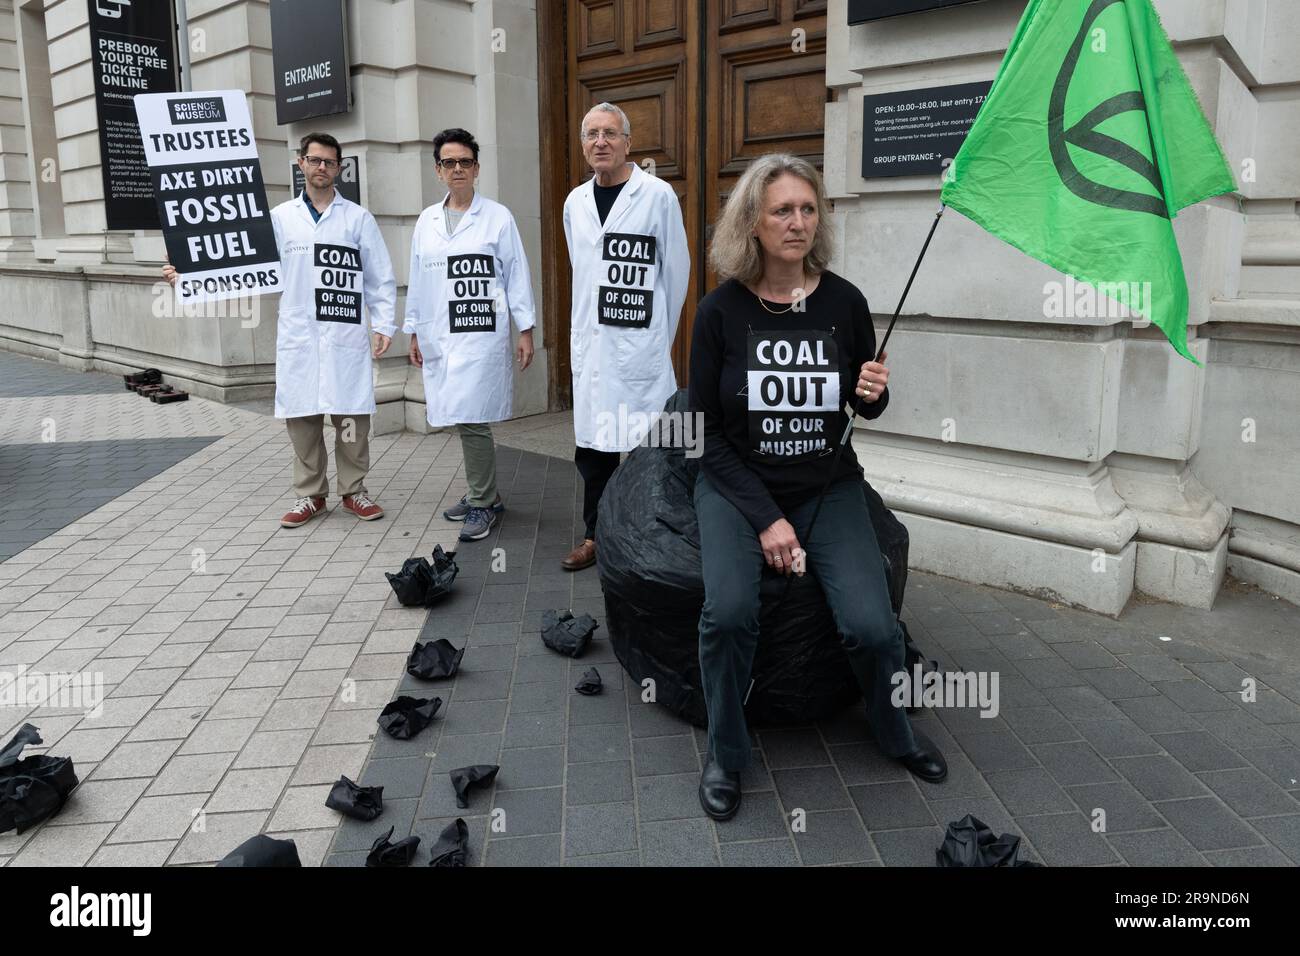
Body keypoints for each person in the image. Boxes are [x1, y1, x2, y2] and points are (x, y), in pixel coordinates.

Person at [687, 153, 947, 821]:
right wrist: (766, 520)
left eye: (807, 209)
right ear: (752, 222)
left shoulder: (843, 302)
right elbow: (704, 434)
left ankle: (895, 733)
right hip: (736, 488)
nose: (797, 222)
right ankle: (726, 751)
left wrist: (875, 393)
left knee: (869, 624)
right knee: (730, 614)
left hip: (826, 486)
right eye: (782, 210)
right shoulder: (719, 313)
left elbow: (864, 408)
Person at [163, 132, 396, 529]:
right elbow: (244, 265)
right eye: (314, 160)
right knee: (302, 419)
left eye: (329, 161)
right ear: (300, 163)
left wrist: (385, 323)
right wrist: (190, 276)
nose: (322, 167)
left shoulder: (358, 219)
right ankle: (311, 495)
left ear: (339, 168)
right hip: (300, 334)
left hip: (344, 333)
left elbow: (380, 277)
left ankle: (354, 491)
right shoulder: (279, 219)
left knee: (351, 417)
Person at [560, 102, 690, 570]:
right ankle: (595, 535)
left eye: (610, 133)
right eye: (592, 133)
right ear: (583, 144)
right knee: (593, 450)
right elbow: (583, 273)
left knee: (645, 445)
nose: (600, 142)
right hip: (593, 347)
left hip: (640, 347)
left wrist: (657, 339)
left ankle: (645, 534)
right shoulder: (575, 202)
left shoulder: (656, 196)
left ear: (628, 143)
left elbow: (676, 274)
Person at [406, 128, 536, 541]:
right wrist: (413, 330)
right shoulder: (427, 220)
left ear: (476, 169)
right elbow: (416, 278)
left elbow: (517, 274)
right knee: (462, 416)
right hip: (439, 333)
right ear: (438, 171)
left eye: (465, 162)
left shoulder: (497, 217)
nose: (457, 169)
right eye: (449, 162)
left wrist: (526, 328)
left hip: (481, 333)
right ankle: (486, 494)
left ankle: (483, 503)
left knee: (473, 416)